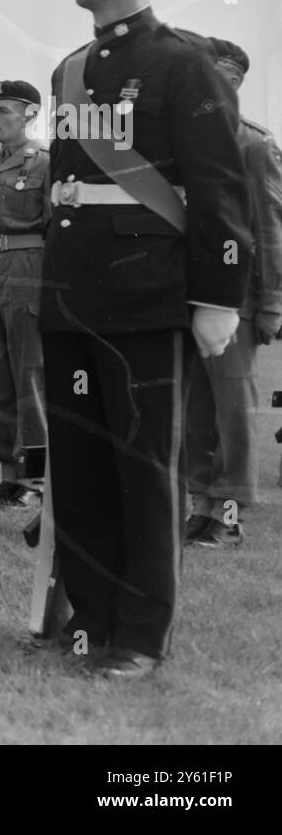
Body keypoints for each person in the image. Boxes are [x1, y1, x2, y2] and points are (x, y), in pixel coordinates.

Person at [41, 0, 250, 680]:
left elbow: (218, 187)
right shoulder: (68, 70)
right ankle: (89, 621)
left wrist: (218, 297)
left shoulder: (182, 61)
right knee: (84, 469)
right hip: (73, 298)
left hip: (146, 298)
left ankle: (140, 635)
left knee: (143, 471)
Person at [182, 38, 282, 547]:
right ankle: (201, 504)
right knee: (195, 408)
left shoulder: (254, 146)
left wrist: (272, 302)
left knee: (232, 409)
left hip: (235, 299)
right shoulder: (182, 143)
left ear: (236, 82)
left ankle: (229, 513)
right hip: (186, 296)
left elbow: (270, 230)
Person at [0, 80, 50, 505]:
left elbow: (58, 228)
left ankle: (37, 477)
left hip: (30, 268)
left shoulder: (44, 163)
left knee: (30, 373)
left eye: (4, 110)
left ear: (30, 114)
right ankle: (2, 472)